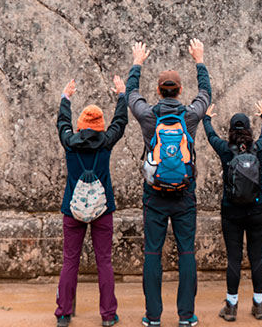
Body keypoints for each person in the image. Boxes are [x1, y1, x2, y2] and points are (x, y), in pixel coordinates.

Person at [126, 39, 211, 327]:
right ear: (181, 91)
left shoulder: (148, 115)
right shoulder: (190, 116)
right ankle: (186, 317)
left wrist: (137, 62)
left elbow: (130, 94)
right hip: (185, 194)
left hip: (154, 195)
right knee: (186, 252)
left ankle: (153, 317)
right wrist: (199, 60)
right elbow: (206, 94)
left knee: (153, 253)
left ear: (158, 90)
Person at [55, 75, 128, 327]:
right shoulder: (106, 141)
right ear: (100, 125)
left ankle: (63, 313)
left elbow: (62, 122)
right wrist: (121, 95)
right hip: (102, 209)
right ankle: (108, 315)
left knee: (70, 261)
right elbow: (121, 122)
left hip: (72, 210)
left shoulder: (69, 142)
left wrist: (66, 98)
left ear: (80, 125)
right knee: (104, 261)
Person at [202, 101, 262, 322]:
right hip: (257, 209)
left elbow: (210, 136)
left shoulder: (224, 149)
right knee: (256, 257)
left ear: (231, 130)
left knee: (234, 259)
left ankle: (231, 307)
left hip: (231, 211)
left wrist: (206, 118)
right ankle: (259, 305)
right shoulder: (258, 148)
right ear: (249, 129)